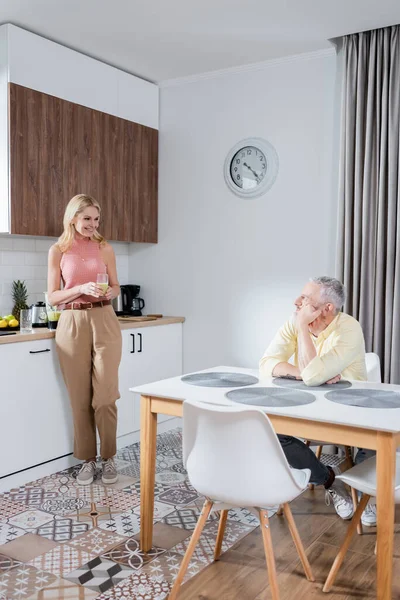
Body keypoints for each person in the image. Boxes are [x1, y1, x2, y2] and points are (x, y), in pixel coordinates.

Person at [259, 276, 376, 525]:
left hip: (351, 409)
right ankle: (330, 481)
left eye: (305, 300)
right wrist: (303, 373)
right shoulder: (296, 323)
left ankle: (367, 496)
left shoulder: (349, 328)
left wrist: (303, 331)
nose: (296, 303)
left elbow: (312, 375)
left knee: (378, 436)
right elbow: (266, 364)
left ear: (327, 308)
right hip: (308, 406)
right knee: (273, 434)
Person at [48, 194, 122, 486]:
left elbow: (115, 286)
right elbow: (53, 297)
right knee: (79, 398)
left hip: (104, 318)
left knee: (105, 397)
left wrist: (109, 292)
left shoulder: (104, 248)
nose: (93, 224)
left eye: (96, 219)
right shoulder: (58, 250)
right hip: (72, 323)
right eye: (87, 218)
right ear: (73, 219)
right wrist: (78, 288)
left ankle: (109, 457)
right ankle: (88, 461)